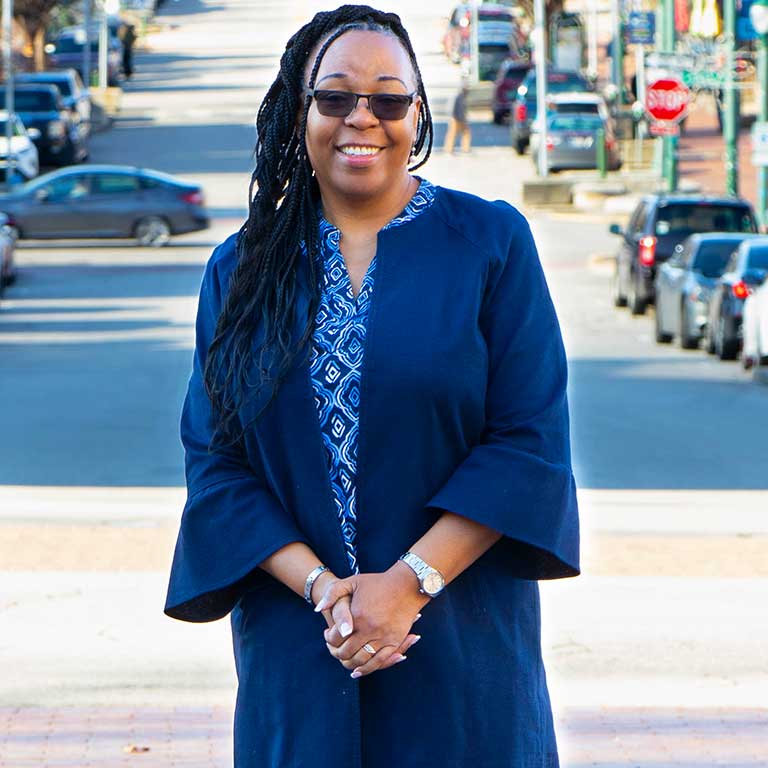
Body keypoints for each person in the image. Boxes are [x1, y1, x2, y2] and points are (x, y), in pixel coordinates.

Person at [164, 5, 579, 767]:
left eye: (388, 99)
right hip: (301, 646)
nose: (363, 118)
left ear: (417, 115)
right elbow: (218, 464)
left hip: (459, 638)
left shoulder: (488, 244)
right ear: (300, 109)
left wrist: (408, 586)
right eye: (335, 98)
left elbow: (527, 442)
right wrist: (329, 592)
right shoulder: (242, 270)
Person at [444, 81, 471, 153]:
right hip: (456, 118)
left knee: (456, 134)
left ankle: (463, 148)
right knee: (457, 133)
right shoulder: (459, 97)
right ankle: (450, 149)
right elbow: (456, 109)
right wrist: (462, 119)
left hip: (457, 117)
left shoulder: (460, 96)